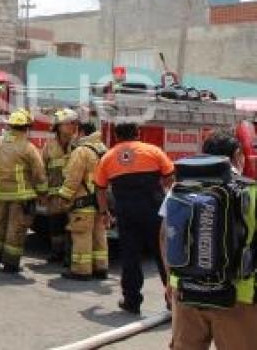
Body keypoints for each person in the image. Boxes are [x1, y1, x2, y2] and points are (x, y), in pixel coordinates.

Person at [161, 129, 257, 350]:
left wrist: (170, 278)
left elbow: (166, 234)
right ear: (237, 155)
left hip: (186, 289)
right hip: (237, 295)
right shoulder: (250, 190)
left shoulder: (180, 188)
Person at [95, 121, 174, 314]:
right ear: (138, 133)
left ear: (116, 136)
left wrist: (104, 213)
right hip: (155, 212)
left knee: (130, 258)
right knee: (163, 256)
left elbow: (100, 188)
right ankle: (173, 300)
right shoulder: (153, 151)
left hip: (127, 214)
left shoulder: (107, 158)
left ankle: (132, 301)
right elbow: (170, 177)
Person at [0, 108, 48, 273]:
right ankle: (10, 264)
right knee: (16, 229)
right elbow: (40, 173)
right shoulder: (28, 148)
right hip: (21, 198)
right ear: (27, 127)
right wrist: (43, 193)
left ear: (10, 125)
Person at [58, 120, 108, 281]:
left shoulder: (81, 151)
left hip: (82, 202)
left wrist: (64, 197)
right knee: (99, 235)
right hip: (100, 202)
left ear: (81, 132)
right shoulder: (103, 149)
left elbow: (73, 178)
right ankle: (100, 268)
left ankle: (81, 270)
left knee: (81, 235)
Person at [41, 108, 79, 263]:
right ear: (58, 126)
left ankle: (69, 257)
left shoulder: (78, 145)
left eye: (74, 123)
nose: (73, 126)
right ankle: (57, 253)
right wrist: (42, 193)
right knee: (56, 227)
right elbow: (42, 170)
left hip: (73, 195)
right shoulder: (49, 147)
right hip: (54, 197)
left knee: (73, 227)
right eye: (69, 123)